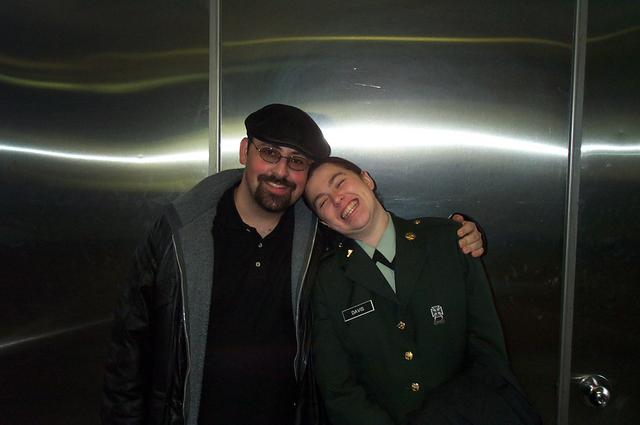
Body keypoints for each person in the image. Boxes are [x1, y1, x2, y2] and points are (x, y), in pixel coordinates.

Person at [101, 104, 485, 425]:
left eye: (297, 161)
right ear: (245, 151)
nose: (281, 172)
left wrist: (458, 232)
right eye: (270, 153)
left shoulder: (323, 236)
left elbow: (382, 238)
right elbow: (129, 347)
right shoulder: (179, 232)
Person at [305, 157, 538, 425]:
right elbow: (339, 389)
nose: (337, 199)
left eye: (340, 182)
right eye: (322, 202)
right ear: (325, 223)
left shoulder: (449, 241)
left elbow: (488, 354)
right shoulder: (327, 282)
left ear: (367, 180)